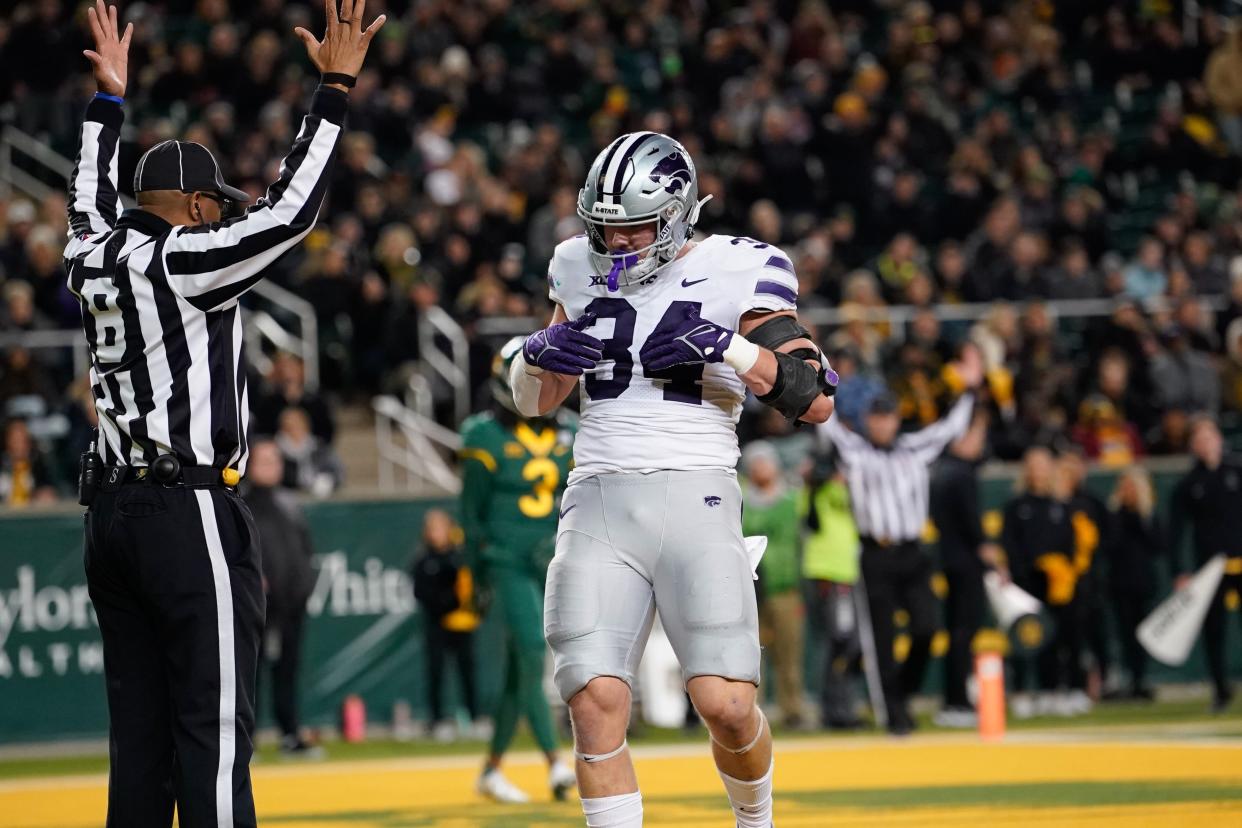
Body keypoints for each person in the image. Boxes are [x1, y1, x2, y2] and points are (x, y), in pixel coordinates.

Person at [63, 3, 384, 824]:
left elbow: (88, 198)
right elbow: (289, 214)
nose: (224, 213)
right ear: (197, 208)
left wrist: (107, 106)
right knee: (212, 731)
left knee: (138, 744)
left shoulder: (92, 253)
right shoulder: (185, 261)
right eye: (216, 203)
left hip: (109, 518)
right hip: (187, 507)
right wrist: (334, 91)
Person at [510, 132, 836, 828]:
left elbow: (814, 397)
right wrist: (534, 357)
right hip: (598, 491)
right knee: (592, 698)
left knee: (726, 703)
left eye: (635, 223)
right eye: (606, 226)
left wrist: (727, 345)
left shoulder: (739, 267)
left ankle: (756, 820)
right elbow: (536, 399)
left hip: (698, 490)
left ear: (681, 211)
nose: (619, 241)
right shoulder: (573, 264)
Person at [819, 349, 983, 734]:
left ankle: (904, 691)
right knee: (882, 639)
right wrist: (820, 375)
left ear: (896, 419)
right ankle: (895, 715)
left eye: (888, 416)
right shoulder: (856, 450)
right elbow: (825, 423)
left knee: (926, 629)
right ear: (868, 420)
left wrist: (971, 391)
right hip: (876, 553)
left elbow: (949, 429)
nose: (882, 424)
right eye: (876, 417)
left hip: (913, 553)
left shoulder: (914, 447)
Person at [459, 337, 577, 803]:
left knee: (518, 669)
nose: (542, 388)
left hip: (553, 559)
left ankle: (491, 770)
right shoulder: (482, 435)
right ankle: (555, 764)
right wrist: (473, 574)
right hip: (506, 561)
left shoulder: (570, 430)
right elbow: (471, 516)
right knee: (531, 650)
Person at [244, 439, 319, 756]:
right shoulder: (239, 501)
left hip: (292, 604)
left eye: (275, 460)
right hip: (254, 607)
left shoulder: (289, 503)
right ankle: (247, 738)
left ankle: (290, 734)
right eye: (263, 460)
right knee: (249, 673)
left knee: (288, 670)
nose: (270, 466)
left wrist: (305, 586)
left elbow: (305, 550)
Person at [929, 410, 1001, 728]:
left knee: (956, 630)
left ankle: (954, 698)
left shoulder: (942, 471)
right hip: (966, 562)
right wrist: (985, 548)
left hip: (949, 559)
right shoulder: (962, 473)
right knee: (963, 631)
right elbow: (971, 521)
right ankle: (957, 700)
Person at [1001, 447, 1084, 719]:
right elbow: (1009, 544)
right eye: (1033, 465)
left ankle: (1053, 690)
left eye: (1043, 465)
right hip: (1026, 584)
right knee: (1024, 638)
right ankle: (1023, 692)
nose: (1038, 470)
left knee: (1058, 639)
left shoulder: (1060, 505)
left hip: (1057, 584)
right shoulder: (1016, 506)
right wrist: (1022, 571)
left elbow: (1070, 544)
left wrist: (1062, 570)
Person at [1169, 417, 1242, 713]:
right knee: (1214, 632)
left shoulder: (1237, 470)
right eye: (1198, 439)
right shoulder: (1188, 484)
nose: (1205, 443)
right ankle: (1221, 691)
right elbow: (1177, 531)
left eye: (1209, 437)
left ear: (1219, 439)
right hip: (1210, 569)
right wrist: (1180, 570)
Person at [740, 440, 806, 729]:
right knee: (752, 650)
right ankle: (751, 712)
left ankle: (792, 708)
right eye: (755, 463)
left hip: (783, 582)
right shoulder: (742, 499)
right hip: (749, 583)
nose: (761, 469)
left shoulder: (792, 499)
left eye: (764, 462)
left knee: (788, 651)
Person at [800, 448, 863, 730]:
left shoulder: (842, 491)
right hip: (828, 575)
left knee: (845, 643)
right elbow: (809, 520)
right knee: (835, 643)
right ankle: (833, 709)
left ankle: (840, 706)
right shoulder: (813, 494)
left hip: (844, 574)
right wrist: (814, 483)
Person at [412, 508, 482, 742]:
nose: (436, 534)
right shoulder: (424, 560)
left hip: (461, 623)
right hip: (437, 624)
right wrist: (444, 603)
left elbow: (472, 587)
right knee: (436, 672)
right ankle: (437, 720)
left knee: (468, 671)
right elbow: (421, 592)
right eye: (432, 529)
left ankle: (474, 717)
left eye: (440, 528)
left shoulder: (460, 556)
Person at [1104, 467, 1163, 701]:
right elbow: (1110, 546)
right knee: (1125, 633)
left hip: (1143, 582)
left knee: (1143, 634)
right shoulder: (1114, 514)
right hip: (1119, 582)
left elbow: (1159, 545)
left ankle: (1140, 679)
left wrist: (1141, 517)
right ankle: (1129, 679)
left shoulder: (1148, 514)